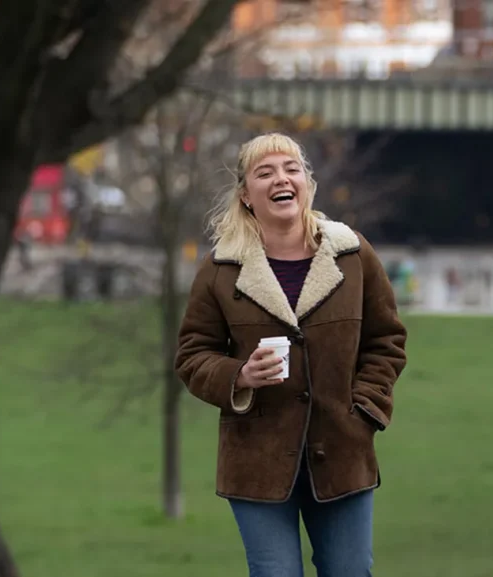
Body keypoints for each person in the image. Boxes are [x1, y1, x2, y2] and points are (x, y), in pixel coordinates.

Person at [174, 133, 407, 576]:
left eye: (291, 168)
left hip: (342, 450)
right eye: (265, 173)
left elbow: (387, 340)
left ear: (307, 183)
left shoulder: (352, 255)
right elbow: (191, 354)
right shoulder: (221, 268)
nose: (281, 178)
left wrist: (365, 410)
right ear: (246, 194)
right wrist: (239, 375)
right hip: (255, 460)